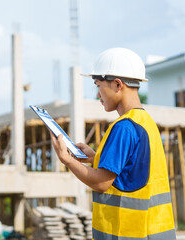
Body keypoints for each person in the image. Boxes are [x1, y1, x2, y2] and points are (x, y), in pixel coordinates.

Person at [51, 48, 176, 240]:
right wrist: (95, 158)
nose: (97, 95)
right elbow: (132, 169)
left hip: (126, 232)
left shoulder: (124, 127)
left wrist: (66, 159)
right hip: (152, 231)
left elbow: (101, 183)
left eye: (98, 85)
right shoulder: (145, 122)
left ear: (118, 85)